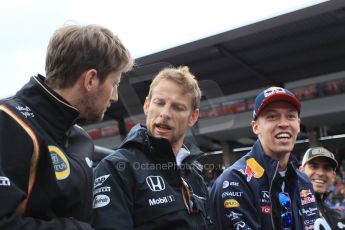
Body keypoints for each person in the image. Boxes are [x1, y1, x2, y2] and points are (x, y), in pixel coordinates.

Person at [0, 24, 133, 230]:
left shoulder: (80, 138)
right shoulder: (9, 121)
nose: (115, 96)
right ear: (90, 79)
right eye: (114, 83)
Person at [92, 66, 209, 229]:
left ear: (193, 117)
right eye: (159, 103)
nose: (165, 113)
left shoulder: (195, 176)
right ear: (147, 105)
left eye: (177, 107)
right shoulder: (115, 168)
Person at [208, 86, 320, 229]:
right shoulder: (235, 181)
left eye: (291, 116)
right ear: (256, 127)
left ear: (298, 124)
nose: (284, 123)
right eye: (272, 116)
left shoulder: (303, 181)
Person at [300, 146, 345, 230]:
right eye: (314, 166)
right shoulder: (288, 210)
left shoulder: (339, 219)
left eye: (327, 168)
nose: (320, 173)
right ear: (301, 171)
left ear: (333, 176)